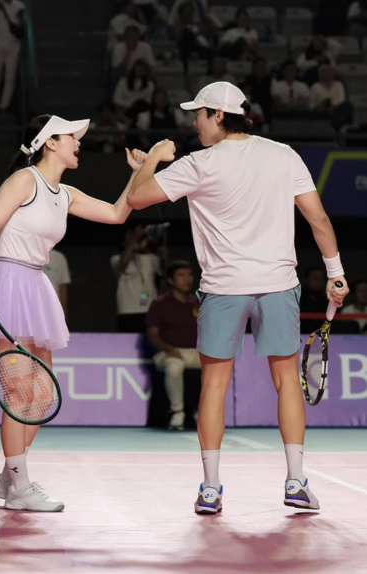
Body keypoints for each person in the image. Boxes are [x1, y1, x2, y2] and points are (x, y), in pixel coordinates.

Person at [126, 81, 349, 514]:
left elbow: (136, 198)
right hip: (277, 284)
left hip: (224, 288)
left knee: (214, 384)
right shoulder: (284, 155)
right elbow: (318, 218)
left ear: (217, 115)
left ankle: (210, 490)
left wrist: (150, 159)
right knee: (287, 382)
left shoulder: (197, 163)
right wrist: (336, 273)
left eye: (198, 114)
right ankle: (296, 482)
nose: (194, 122)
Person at [0, 114, 147, 511]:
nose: (78, 143)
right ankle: (20, 488)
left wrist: (137, 173)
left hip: (36, 285)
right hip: (8, 283)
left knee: (42, 394)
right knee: (19, 391)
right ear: (50, 142)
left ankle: (8, 477)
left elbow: (117, 214)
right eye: (71, 137)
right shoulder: (24, 180)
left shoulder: (65, 194)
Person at [146, 260, 200, 430]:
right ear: (170, 280)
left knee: (217, 366)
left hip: (194, 352)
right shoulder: (159, 304)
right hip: (168, 353)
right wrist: (169, 349)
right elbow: (152, 336)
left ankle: (203, 411)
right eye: (181, 275)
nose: (187, 279)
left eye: (189, 275)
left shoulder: (197, 302)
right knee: (174, 366)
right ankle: (177, 412)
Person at [111, 224, 162, 333]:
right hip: (128, 310)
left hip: (149, 309)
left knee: (150, 340)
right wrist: (135, 237)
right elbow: (122, 263)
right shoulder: (115, 259)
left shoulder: (150, 258)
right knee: (128, 341)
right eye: (129, 237)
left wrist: (150, 241)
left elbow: (162, 265)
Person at [0, 0, 26, 112]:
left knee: (10, 78)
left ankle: (4, 106)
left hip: (13, 47)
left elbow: (22, 27)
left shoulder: (20, 6)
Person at [43, 249, 71, 317]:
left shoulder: (59, 257)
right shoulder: (26, 255)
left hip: (53, 309)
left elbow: (63, 285)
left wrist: (64, 311)